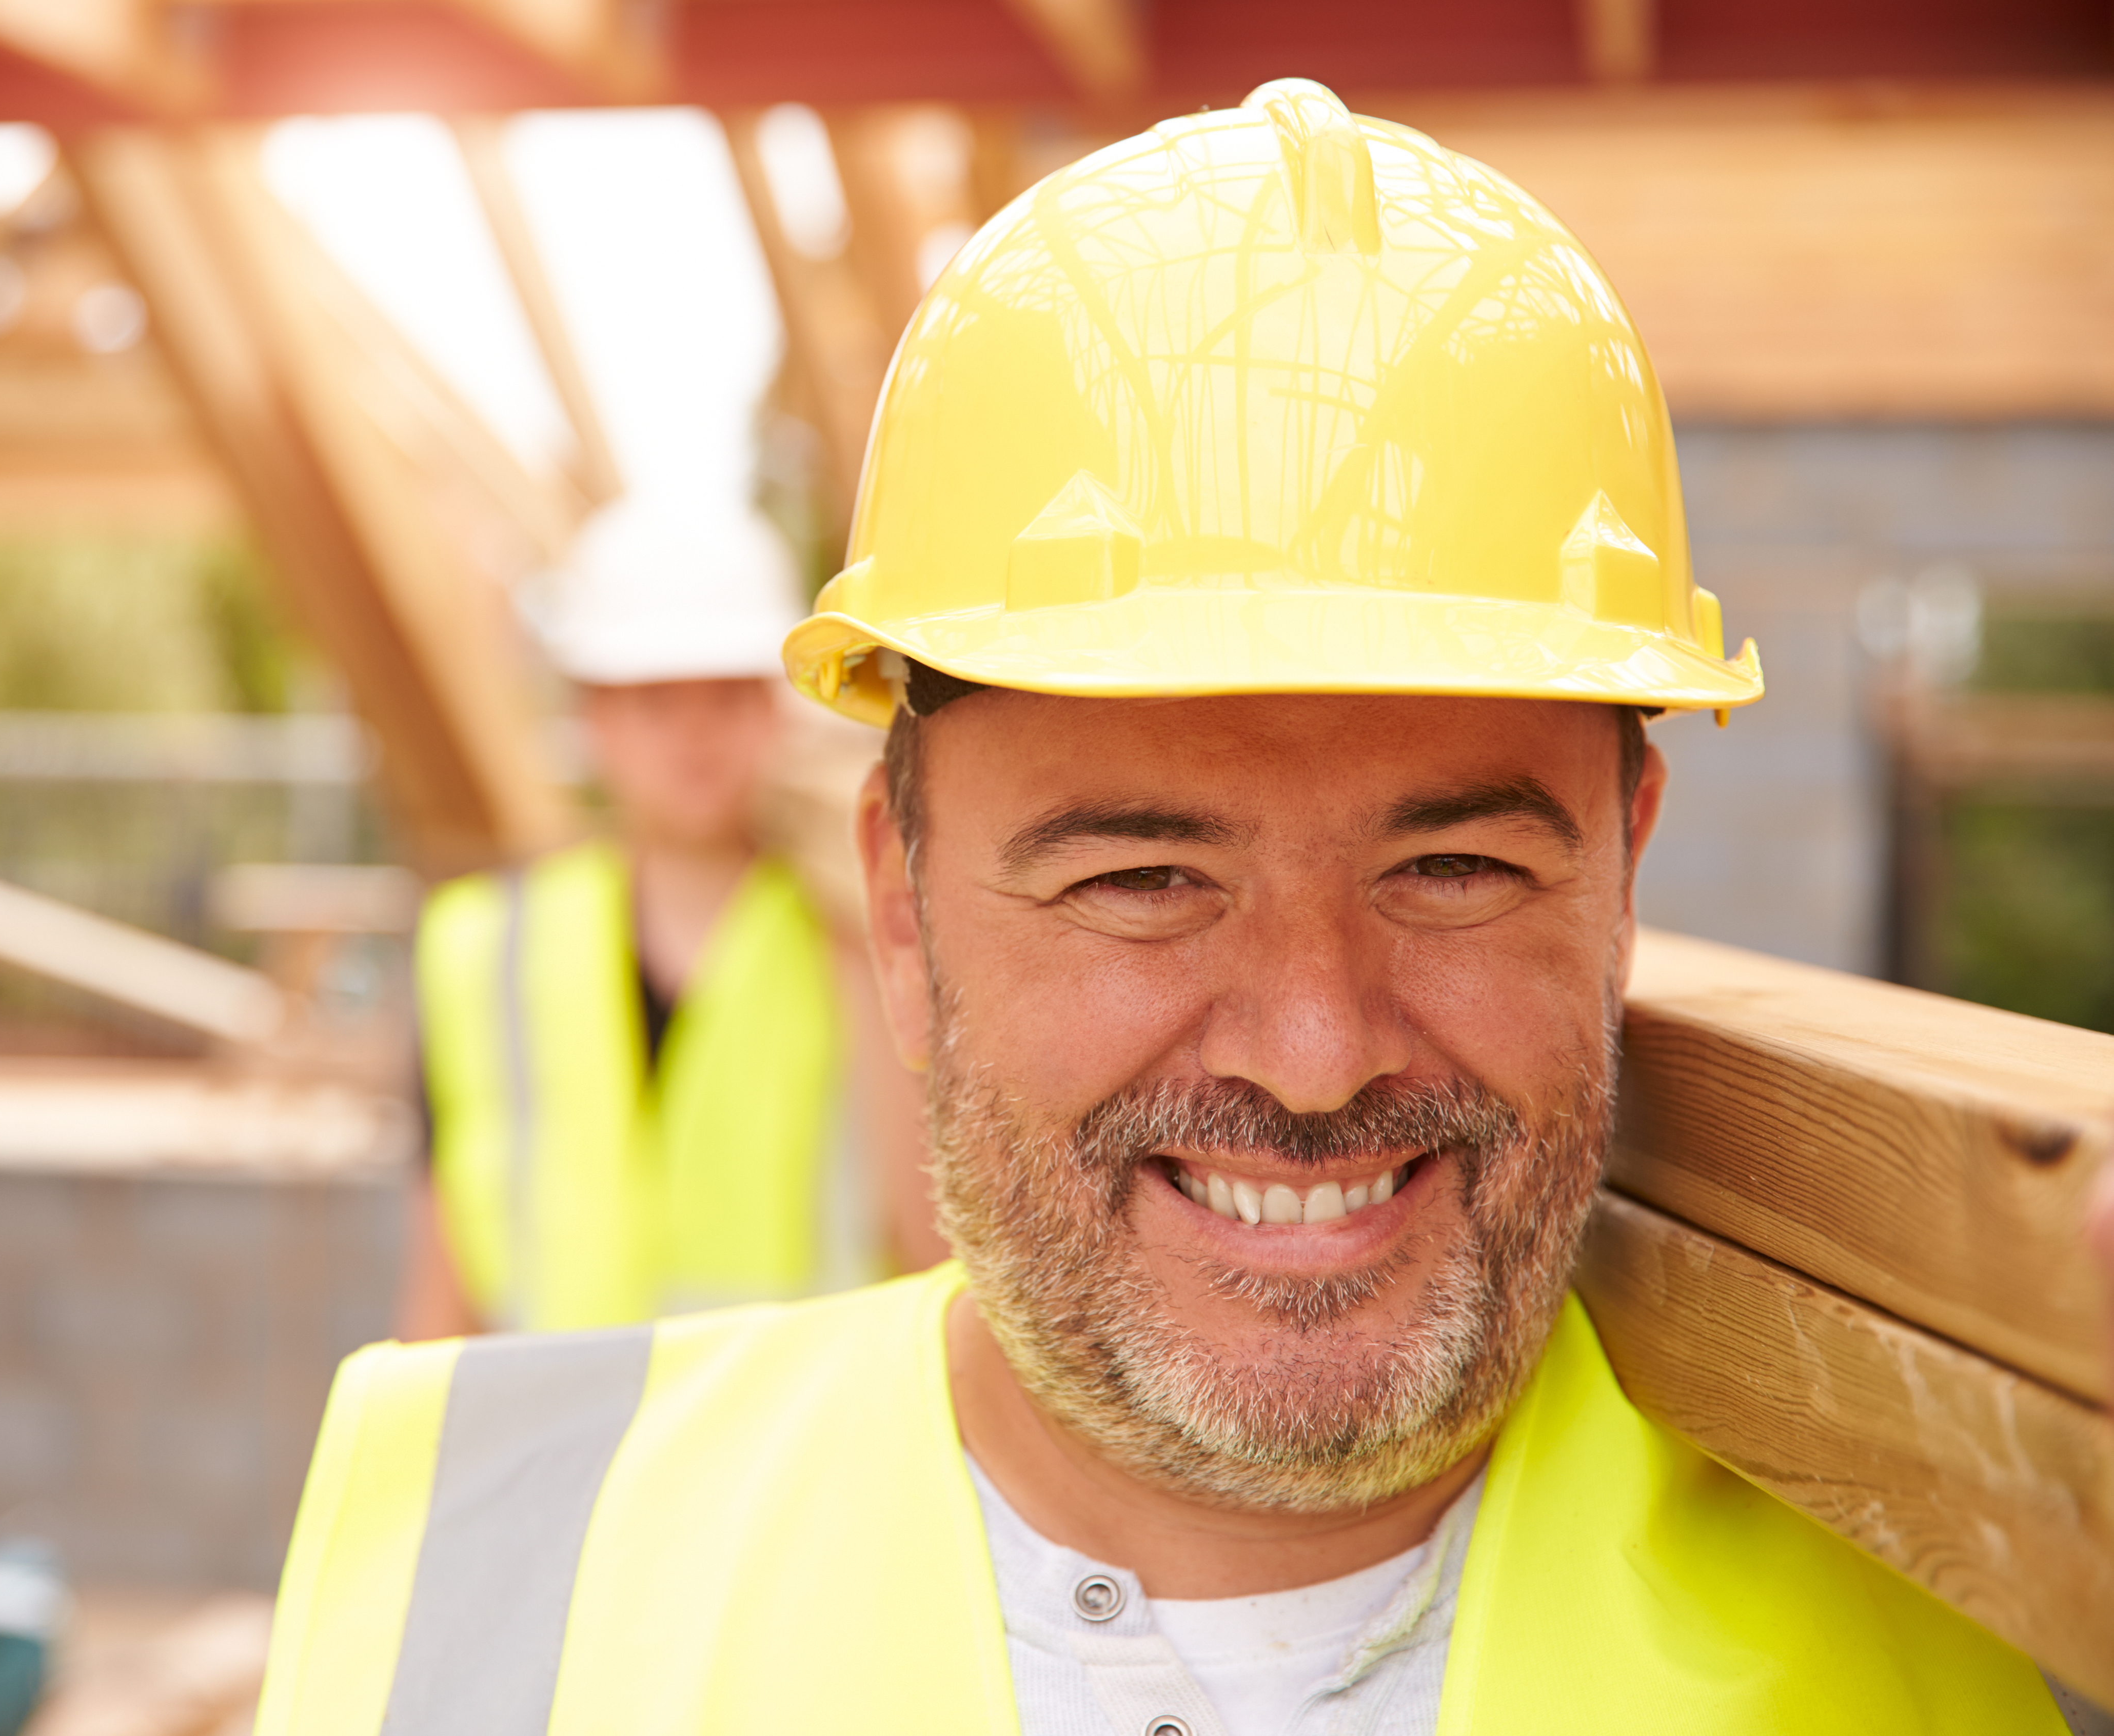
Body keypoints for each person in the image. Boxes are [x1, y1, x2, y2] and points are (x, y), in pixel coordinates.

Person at [268, 83, 2084, 1731]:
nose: (1309, 1052)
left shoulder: (1949, 1647)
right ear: (899, 916)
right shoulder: (488, 1594)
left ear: (1620, 883)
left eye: (1448, 868)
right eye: (1141, 878)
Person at [393, 493, 938, 1338]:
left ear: (775, 707)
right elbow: (443, 1287)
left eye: (724, 695)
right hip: (565, 1461)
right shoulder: (481, 950)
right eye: (655, 700)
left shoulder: (850, 935)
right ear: (592, 717)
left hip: (787, 1458)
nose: (694, 734)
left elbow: (925, 1249)